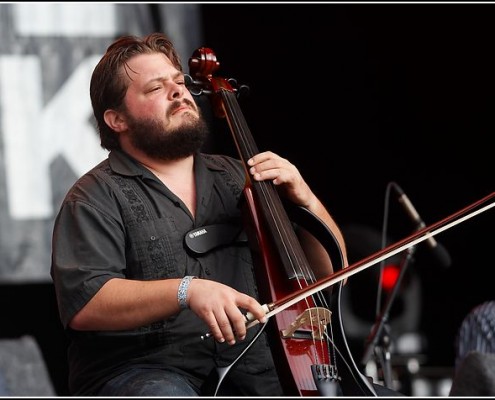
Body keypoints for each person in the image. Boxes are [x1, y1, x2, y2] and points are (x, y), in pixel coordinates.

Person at [50, 32, 351, 396]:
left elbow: (329, 277)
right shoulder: (93, 196)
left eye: (179, 82)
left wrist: (306, 200)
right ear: (116, 119)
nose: (178, 92)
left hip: (254, 367)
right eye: (155, 88)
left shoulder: (239, 177)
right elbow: (87, 302)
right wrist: (186, 291)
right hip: (145, 373)